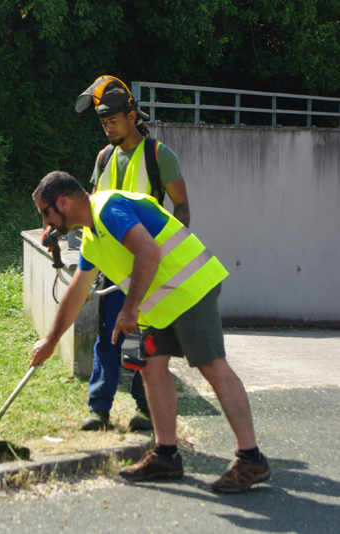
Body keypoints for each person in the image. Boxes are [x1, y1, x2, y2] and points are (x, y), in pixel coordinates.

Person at [30, 171, 271, 493]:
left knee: (212, 366)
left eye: (45, 212)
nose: (46, 221)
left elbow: (148, 252)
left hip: (189, 289)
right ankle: (166, 454)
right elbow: (76, 292)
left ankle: (251, 457)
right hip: (163, 305)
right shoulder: (92, 235)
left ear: (62, 202)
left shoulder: (108, 209)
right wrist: (50, 340)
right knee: (152, 368)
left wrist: (129, 310)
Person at [75, 75, 190, 432]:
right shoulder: (104, 157)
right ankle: (99, 409)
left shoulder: (159, 156)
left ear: (131, 115)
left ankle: (145, 408)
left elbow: (182, 207)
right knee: (107, 337)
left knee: (147, 342)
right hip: (113, 267)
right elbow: (92, 205)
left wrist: (173, 254)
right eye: (103, 122)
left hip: (149, 266)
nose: (107, 127)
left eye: (112, 120)